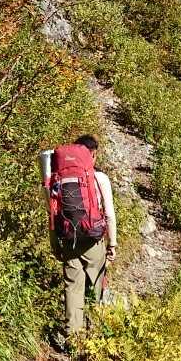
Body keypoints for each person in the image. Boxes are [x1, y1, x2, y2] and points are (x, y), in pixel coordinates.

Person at [48, 133, 117, 339]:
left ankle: (73, 337)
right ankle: (93, 336)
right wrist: (112, 244)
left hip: (68, 238)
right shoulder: (99, 178)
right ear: (92, 154)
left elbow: (51, 213)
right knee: (95, 284)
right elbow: (109, 214)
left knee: (73, 287)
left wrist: (54, 243)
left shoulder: (58, 178)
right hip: (93, 240)